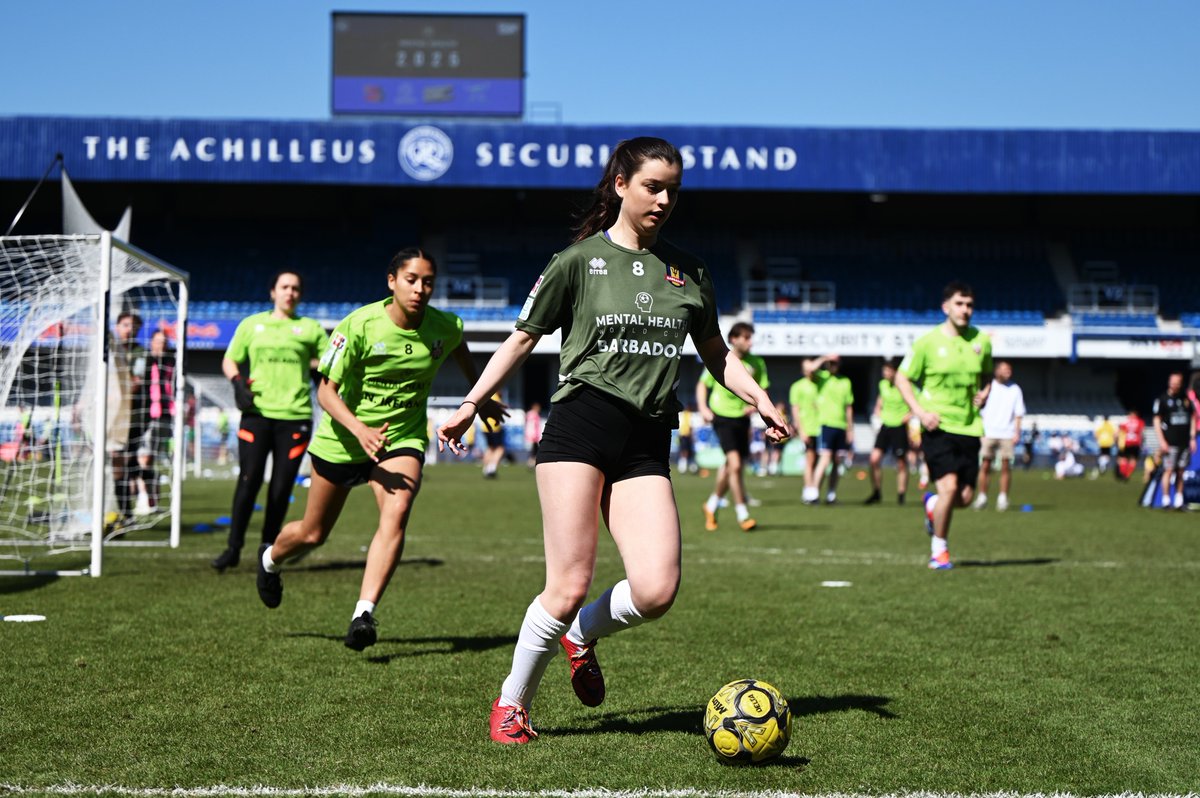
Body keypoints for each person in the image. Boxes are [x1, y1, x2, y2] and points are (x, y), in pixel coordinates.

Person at [434, 137, 789, 745]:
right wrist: (471, 404)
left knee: (656, 590)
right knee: (568, 583)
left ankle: (582, 635)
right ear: (620, 184)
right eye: (653, 185)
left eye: (673, 189)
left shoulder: (690, 271)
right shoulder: (577, 261)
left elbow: (716, 355)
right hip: (581, 425)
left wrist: (758, 398)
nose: (665, 199)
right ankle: (512, 704)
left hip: (648, 437)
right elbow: (523, 338)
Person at [255, 248, 502, 650]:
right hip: (342, 439)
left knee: (398, 511)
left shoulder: (445, 325)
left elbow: (459, 349)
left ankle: (363, 614)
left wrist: (481, 396)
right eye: (411, 280)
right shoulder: (358, 325)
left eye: (427, 282)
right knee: (313, 534)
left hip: (401, 438)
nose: (420, 289)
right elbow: (325, 391)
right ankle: (269, 560)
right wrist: (359, 428)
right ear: (392, 282)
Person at [210, 272, 328, 572]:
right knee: (248, 482)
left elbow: (328, 364)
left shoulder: (310, 329)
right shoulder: (251, 325)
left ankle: (267, 552)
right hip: (257, 415)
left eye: (296, 288)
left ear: (300, 295)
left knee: (280, 488)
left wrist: (317, 373)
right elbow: (230, 359)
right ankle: (233, 548)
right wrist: (237, 383)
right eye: (284, 287)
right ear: (272, 292)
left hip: (295, 417)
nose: (290, 292)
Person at [895, 281, 992, 570]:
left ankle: (931, 506)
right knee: (949, 486)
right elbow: (902, 378)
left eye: (970, 304)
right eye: (960, 304)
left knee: (963, 497)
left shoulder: (982, 341)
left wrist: (985, 392)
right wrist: (920, 412)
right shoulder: (927, 342)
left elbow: (987, 375)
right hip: (937, 426)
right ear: (946, 307)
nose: (965, 310)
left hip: (970, 427)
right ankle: (940, 550)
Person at [697, 321, 769, 531]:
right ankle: (742, 514)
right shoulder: (723, 358)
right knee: (735, 465)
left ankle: (711, 505)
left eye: (750, 337)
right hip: (721, 416)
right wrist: (703, 407)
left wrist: (754, 406)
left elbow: (761, 391)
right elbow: (703, 383)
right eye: (746, 337)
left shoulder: (757, 363)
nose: (750, 342)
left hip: (742, 419)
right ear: (733, 339)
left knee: (730, 467)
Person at [106, 311, 147, 531]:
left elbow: (135, 383)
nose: (128, 329)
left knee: (127, 464)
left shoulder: (139, 353)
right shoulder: (108, 350)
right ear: (117, 326)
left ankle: (127, 511)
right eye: (124, 325)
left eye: (132, 326)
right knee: (117, 464)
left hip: (132, 417)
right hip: (109, 415)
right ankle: (123, 512)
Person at [972, 360, 1025, 511]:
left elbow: (1018, 413)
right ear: (997, 371)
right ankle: (982, 497)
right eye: (1004, 369)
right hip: (988, 432)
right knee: (985, 465)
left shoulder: (1015, 389)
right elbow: (977, 404)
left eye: (1009, 369)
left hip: (1007, 433)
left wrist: (1017, 432)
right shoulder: (988, 386)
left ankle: (1003, 498)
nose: (1008, 371)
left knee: (1006, 466)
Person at [136, 329, 176, 513]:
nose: (162, 344)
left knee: (151, 458)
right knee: (144, 457)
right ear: (152, 342)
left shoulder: (171, 362)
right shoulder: (145, 360)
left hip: (166, 415)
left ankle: (152, 497)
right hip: (147, 415)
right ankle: (144, 498)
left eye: (164, 341)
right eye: (158, 341)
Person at [864, 359, 911, 505]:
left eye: (888, 370)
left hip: (899, 427)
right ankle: (877, 492)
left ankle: (901, 495)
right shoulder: (883, 385)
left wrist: (906, 417)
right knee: (874, 459)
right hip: (885, 426)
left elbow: (915, 405)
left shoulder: (905, 386)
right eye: (884, 370)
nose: (885, 373)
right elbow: (879, 403)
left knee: (901, 463)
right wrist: (877, 415)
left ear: (895, 372)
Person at [812, 354, 854, 504]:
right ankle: (814, 492)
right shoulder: (822, 377)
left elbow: (848, 407)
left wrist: (850, 429)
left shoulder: (845, 381)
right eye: (831, 363)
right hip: (826, 424)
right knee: (825, 458)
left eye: (835, 363)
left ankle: (831, 494)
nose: (832, 365)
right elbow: (808, 368)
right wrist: (824, 358)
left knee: (837, 461)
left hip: (841, 425)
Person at [1151, 372, 1196, 509]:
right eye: (1173, 381)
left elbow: (1193, 417)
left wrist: (1192, 437)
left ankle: (1178, 500)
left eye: (1178, 382)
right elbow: (1156, 420)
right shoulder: (1163, 399)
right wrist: (1162, 441)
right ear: (1169, 382)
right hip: (1170, 442)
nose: (1175, 384)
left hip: (1184, 442)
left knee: (1181, 471)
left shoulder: (1185, 399)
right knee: (1168, 470)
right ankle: (1165, 500)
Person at [480, 392, 507, 478]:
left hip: (485, 427)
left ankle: (485, 468)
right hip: (494, 427)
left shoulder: (487, 395)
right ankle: (492, 468)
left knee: (490, 448)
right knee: (500, 448)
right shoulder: (495, 397)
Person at [1116, 409, 1144, 481]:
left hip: (1126, 443)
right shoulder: (1140, 422)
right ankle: (1127, 475)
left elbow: (1118, 432)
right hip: (1136, 443)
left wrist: (1117, 440)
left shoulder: (1126, 422)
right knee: (1133, 460)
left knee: (1123, 459)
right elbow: (1141, 434)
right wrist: (1141, 443)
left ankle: (1123, 474)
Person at [676, 402, 696, 474]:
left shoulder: (685, 415)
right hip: (685, 436)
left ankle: (687, 467)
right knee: (685, 451)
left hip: (684, 435)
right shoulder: (688, 415)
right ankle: (683, 467)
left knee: (687, 451)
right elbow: (690, 427)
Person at [524, 401, 544, 468]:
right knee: (533, 450)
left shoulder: (532, 414)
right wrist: (533, 435)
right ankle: (531, 463)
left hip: (534, 435)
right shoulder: (533, 414)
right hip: (533, 436)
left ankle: (532, 462)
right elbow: (531, 426)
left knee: (534, 450)